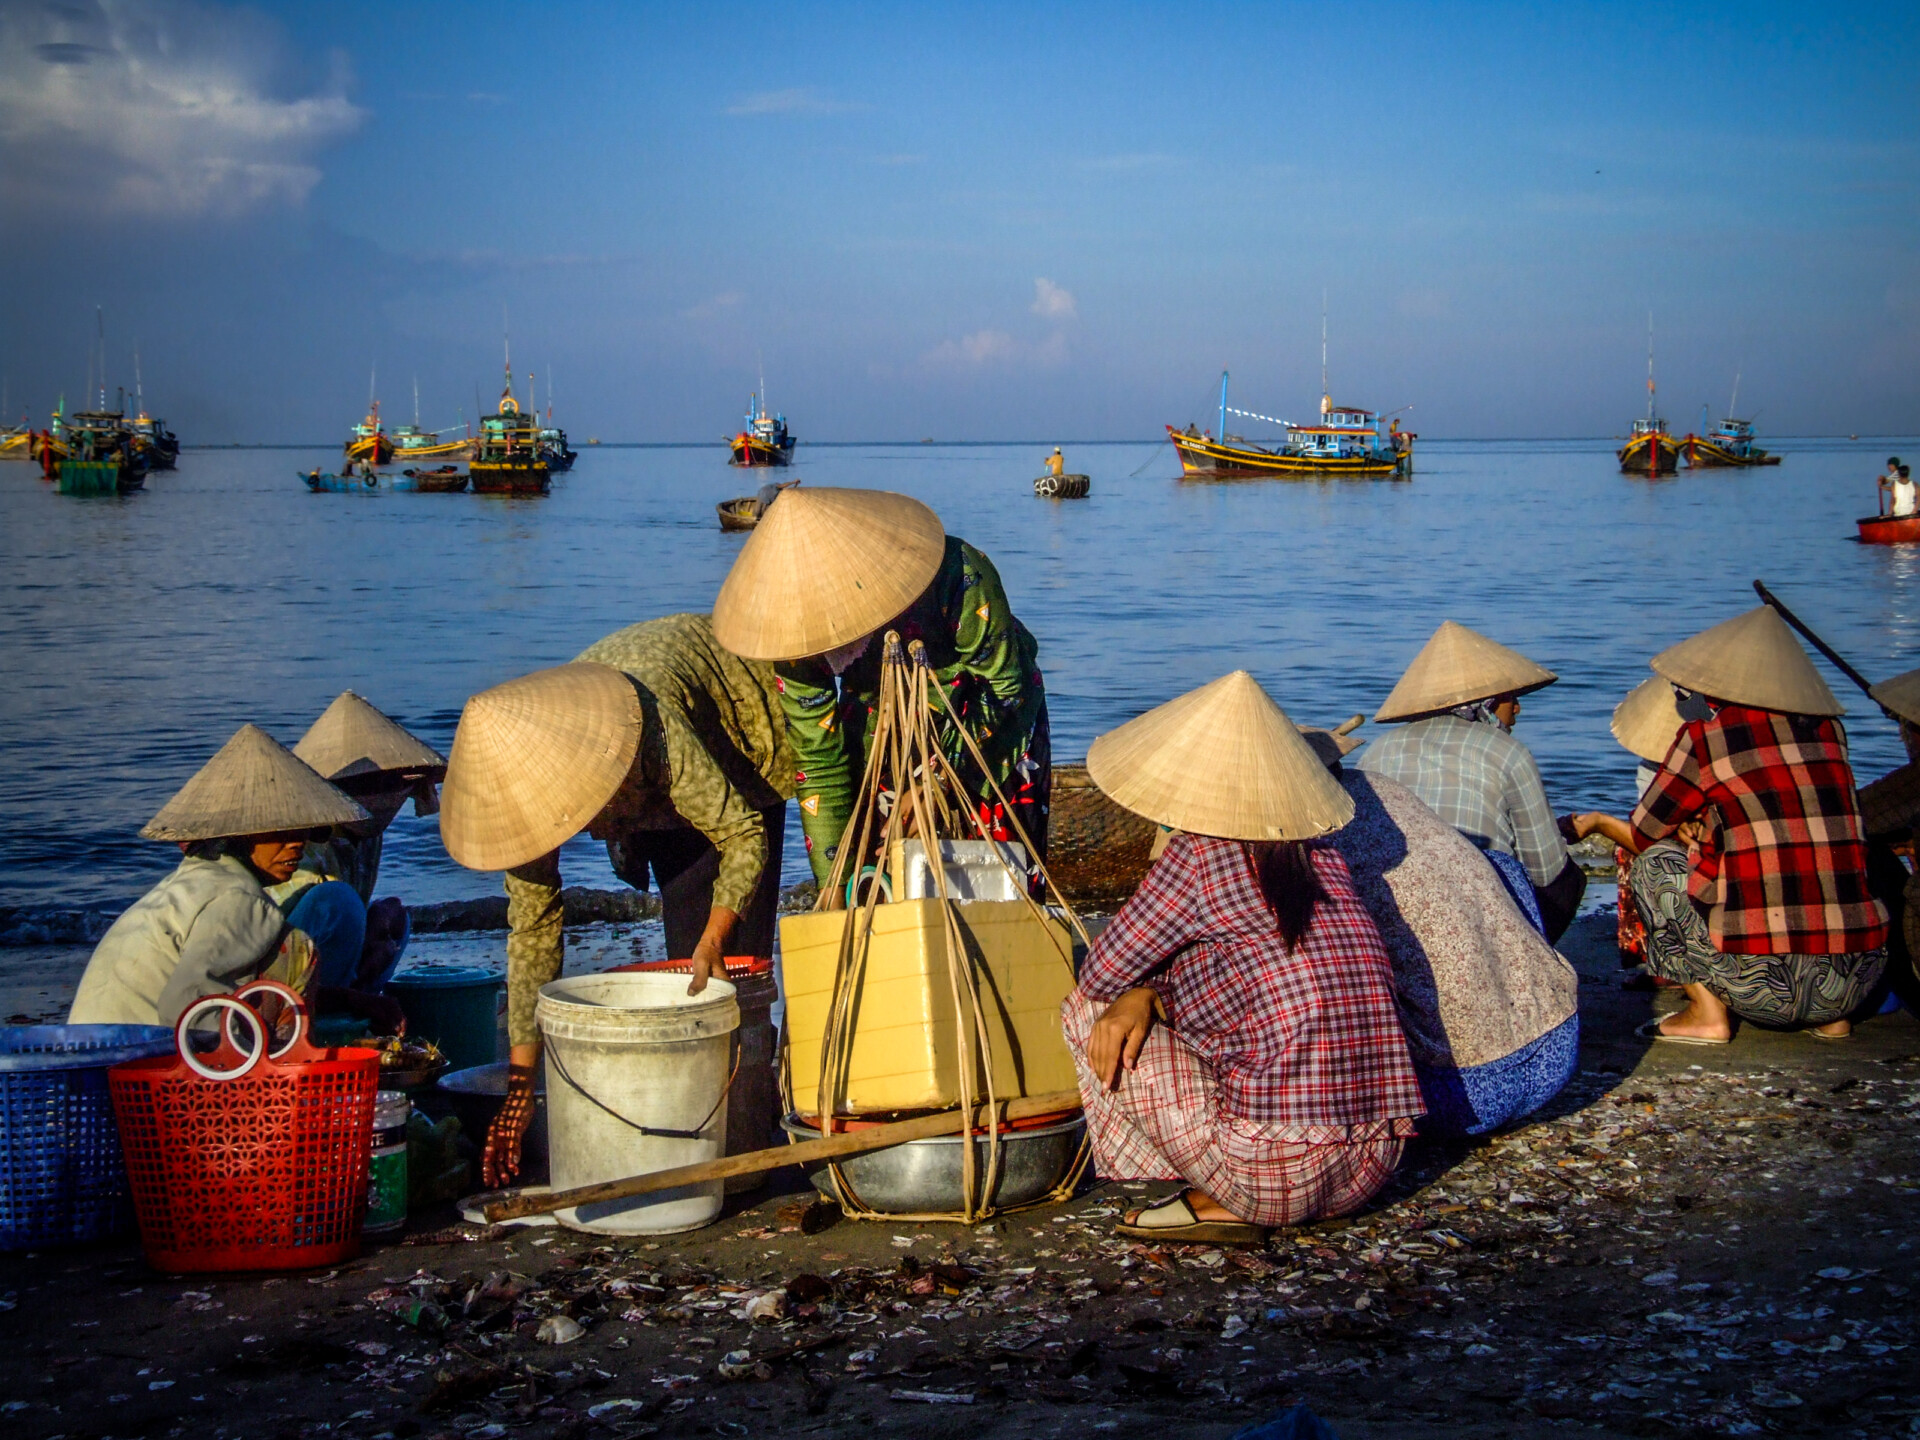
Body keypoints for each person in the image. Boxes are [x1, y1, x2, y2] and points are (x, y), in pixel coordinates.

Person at [1064, 672, 1423, 1245]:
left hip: (1273, 1177)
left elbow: (1101, 973)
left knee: (1086, 1011)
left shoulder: (1199, 856)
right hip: (1375, 1164)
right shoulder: (1325, 861)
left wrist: (1140, 990)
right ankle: (1226, 1185)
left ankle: (1211, 1192)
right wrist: (1154, 989)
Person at [439, 614, 793, 1187]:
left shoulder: (654, 733)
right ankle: (698, 1124)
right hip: (641, 763)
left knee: (727, 963)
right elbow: (532, 932)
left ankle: (748, 1128)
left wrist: (715, 935)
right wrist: (521, 1086)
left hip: (734, 729)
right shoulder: (527, 790)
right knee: (684, 953)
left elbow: (743, 833)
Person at [1565, 607, 1887, 1043]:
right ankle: (1830, 1019)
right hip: (1855, 983)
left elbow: (1643, 833)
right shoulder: (1830, 732)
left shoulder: (1706, 735)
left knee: (1655, 864)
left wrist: (1601, 821)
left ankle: (1707, 1015)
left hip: (1767, 991)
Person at [712, 487, 1049, 889]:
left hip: (989, 721)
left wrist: (938, 783)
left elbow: (1004, 688)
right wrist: (834, 887)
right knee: (880, 873)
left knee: (992, 879)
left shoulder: (958, 573)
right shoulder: (793, 634)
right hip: (883, 724)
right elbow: (819, 762)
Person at [1311, 730, 1579, 1137]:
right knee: (1500, 864)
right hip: (1558, 1048)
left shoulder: (1312, 833)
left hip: (1460, 1094)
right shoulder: (1379, 786)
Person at [69, 725, 369, 1027]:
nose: (297, 844)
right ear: (241, 835)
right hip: (141, 1049)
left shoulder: (191, 883)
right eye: (281, 832)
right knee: (295, 949)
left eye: (304, 832)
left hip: (91, 1042)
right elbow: (187, 1007)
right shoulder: (239, 897)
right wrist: (238, 1046)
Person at [1357, 620, 1586, 941]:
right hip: (1479, 913)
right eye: (1510, 697)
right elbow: (1545, 871)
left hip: (1394, 911)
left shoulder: (1378, 751)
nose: (1517, 708)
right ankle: (1529, 954)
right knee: (1568, 881)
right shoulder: (1509, 752)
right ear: (1486, 703)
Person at [270, 691, 447, 1030]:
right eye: (370, 784)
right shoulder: (305, 846)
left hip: (327, 960)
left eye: (391, 783)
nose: (384, 794)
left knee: (395, 916)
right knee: (338, 900)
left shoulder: (368, 836)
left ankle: (350, 1016)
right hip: (280, 978)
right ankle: (331, 1014)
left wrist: (376, 926)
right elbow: (285, 945)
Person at [1604, 676, 1692, 969]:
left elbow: (1647, 828)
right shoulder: (1653, 766)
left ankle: (1647, 952)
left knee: (1629, 851)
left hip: (1696, 845)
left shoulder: (1655, 767)